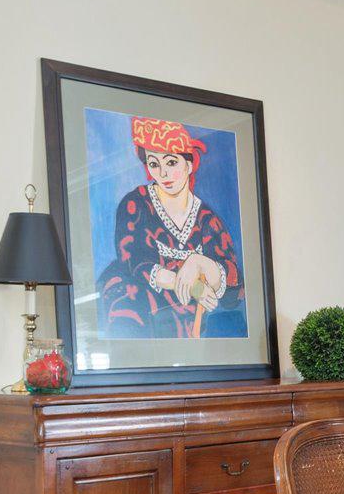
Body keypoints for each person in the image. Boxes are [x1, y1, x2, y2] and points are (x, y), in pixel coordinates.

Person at [97, 117, 244, 339]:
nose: (163, 174)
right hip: (139, 308)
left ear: (190, 163)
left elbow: (234, 288)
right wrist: (192, 287)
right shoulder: (135, 204)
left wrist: (200, 263)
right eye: (154, 164)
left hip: (188, 325)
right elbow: (137, 263)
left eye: (171, 162)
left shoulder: (207, 219)